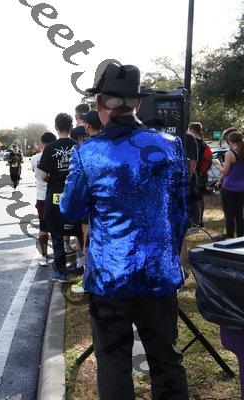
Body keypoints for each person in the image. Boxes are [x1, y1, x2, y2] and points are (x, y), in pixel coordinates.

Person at [61, 63, 189, 400]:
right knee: (166, 359)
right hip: (158, 274)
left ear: (99, 103)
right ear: (137, 103)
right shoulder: (170, 145)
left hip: (110, 278)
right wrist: (168, 253)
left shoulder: (87, 151)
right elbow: (181, 210)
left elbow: (70, 209)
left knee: (114, 363)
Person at [38, 113, 82, 283]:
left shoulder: (49, 148)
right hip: (75, 195)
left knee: (56, 233)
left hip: (56, 195)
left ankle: (62, 272)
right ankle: (82, 267)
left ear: (56, 127)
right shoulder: (79, 146)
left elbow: (43, 175)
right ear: (71, 127)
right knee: (80, 231)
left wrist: (55, 179)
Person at [70, 110, 103, 294]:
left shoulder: (84, 150)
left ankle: (88, 277)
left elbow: (74, 191)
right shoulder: (113, 144)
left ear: (88, 126)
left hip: (91, 205)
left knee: (88, 239)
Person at [32, 132, 57, 265]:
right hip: (56, 195)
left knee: (43, 227)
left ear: (42, 143)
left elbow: (35, 172)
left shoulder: (34, 158)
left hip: (41, 197)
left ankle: (44, 257)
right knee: (58, 226)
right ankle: (60, 255)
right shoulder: (57, 156)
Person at [214, 130, 244, 238]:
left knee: (229, 215)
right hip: (241, 188)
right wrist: (220, 179)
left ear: (230, 141)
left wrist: (218, 164)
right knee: (239, 215)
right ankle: (241, 238)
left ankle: (230, 238)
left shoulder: (230, 153)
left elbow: (225, 171)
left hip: (229, 188)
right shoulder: (242, 152)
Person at [189, 122, 211, 227]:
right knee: (199, 198)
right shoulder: (203, 143)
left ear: (191, 129)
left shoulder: (194, 142)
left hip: (196, 173)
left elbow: (207, 159)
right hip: (201, 174)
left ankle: (196, 222)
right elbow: (209, 159)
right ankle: (199, 221)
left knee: (195, 198)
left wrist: (200, 171)